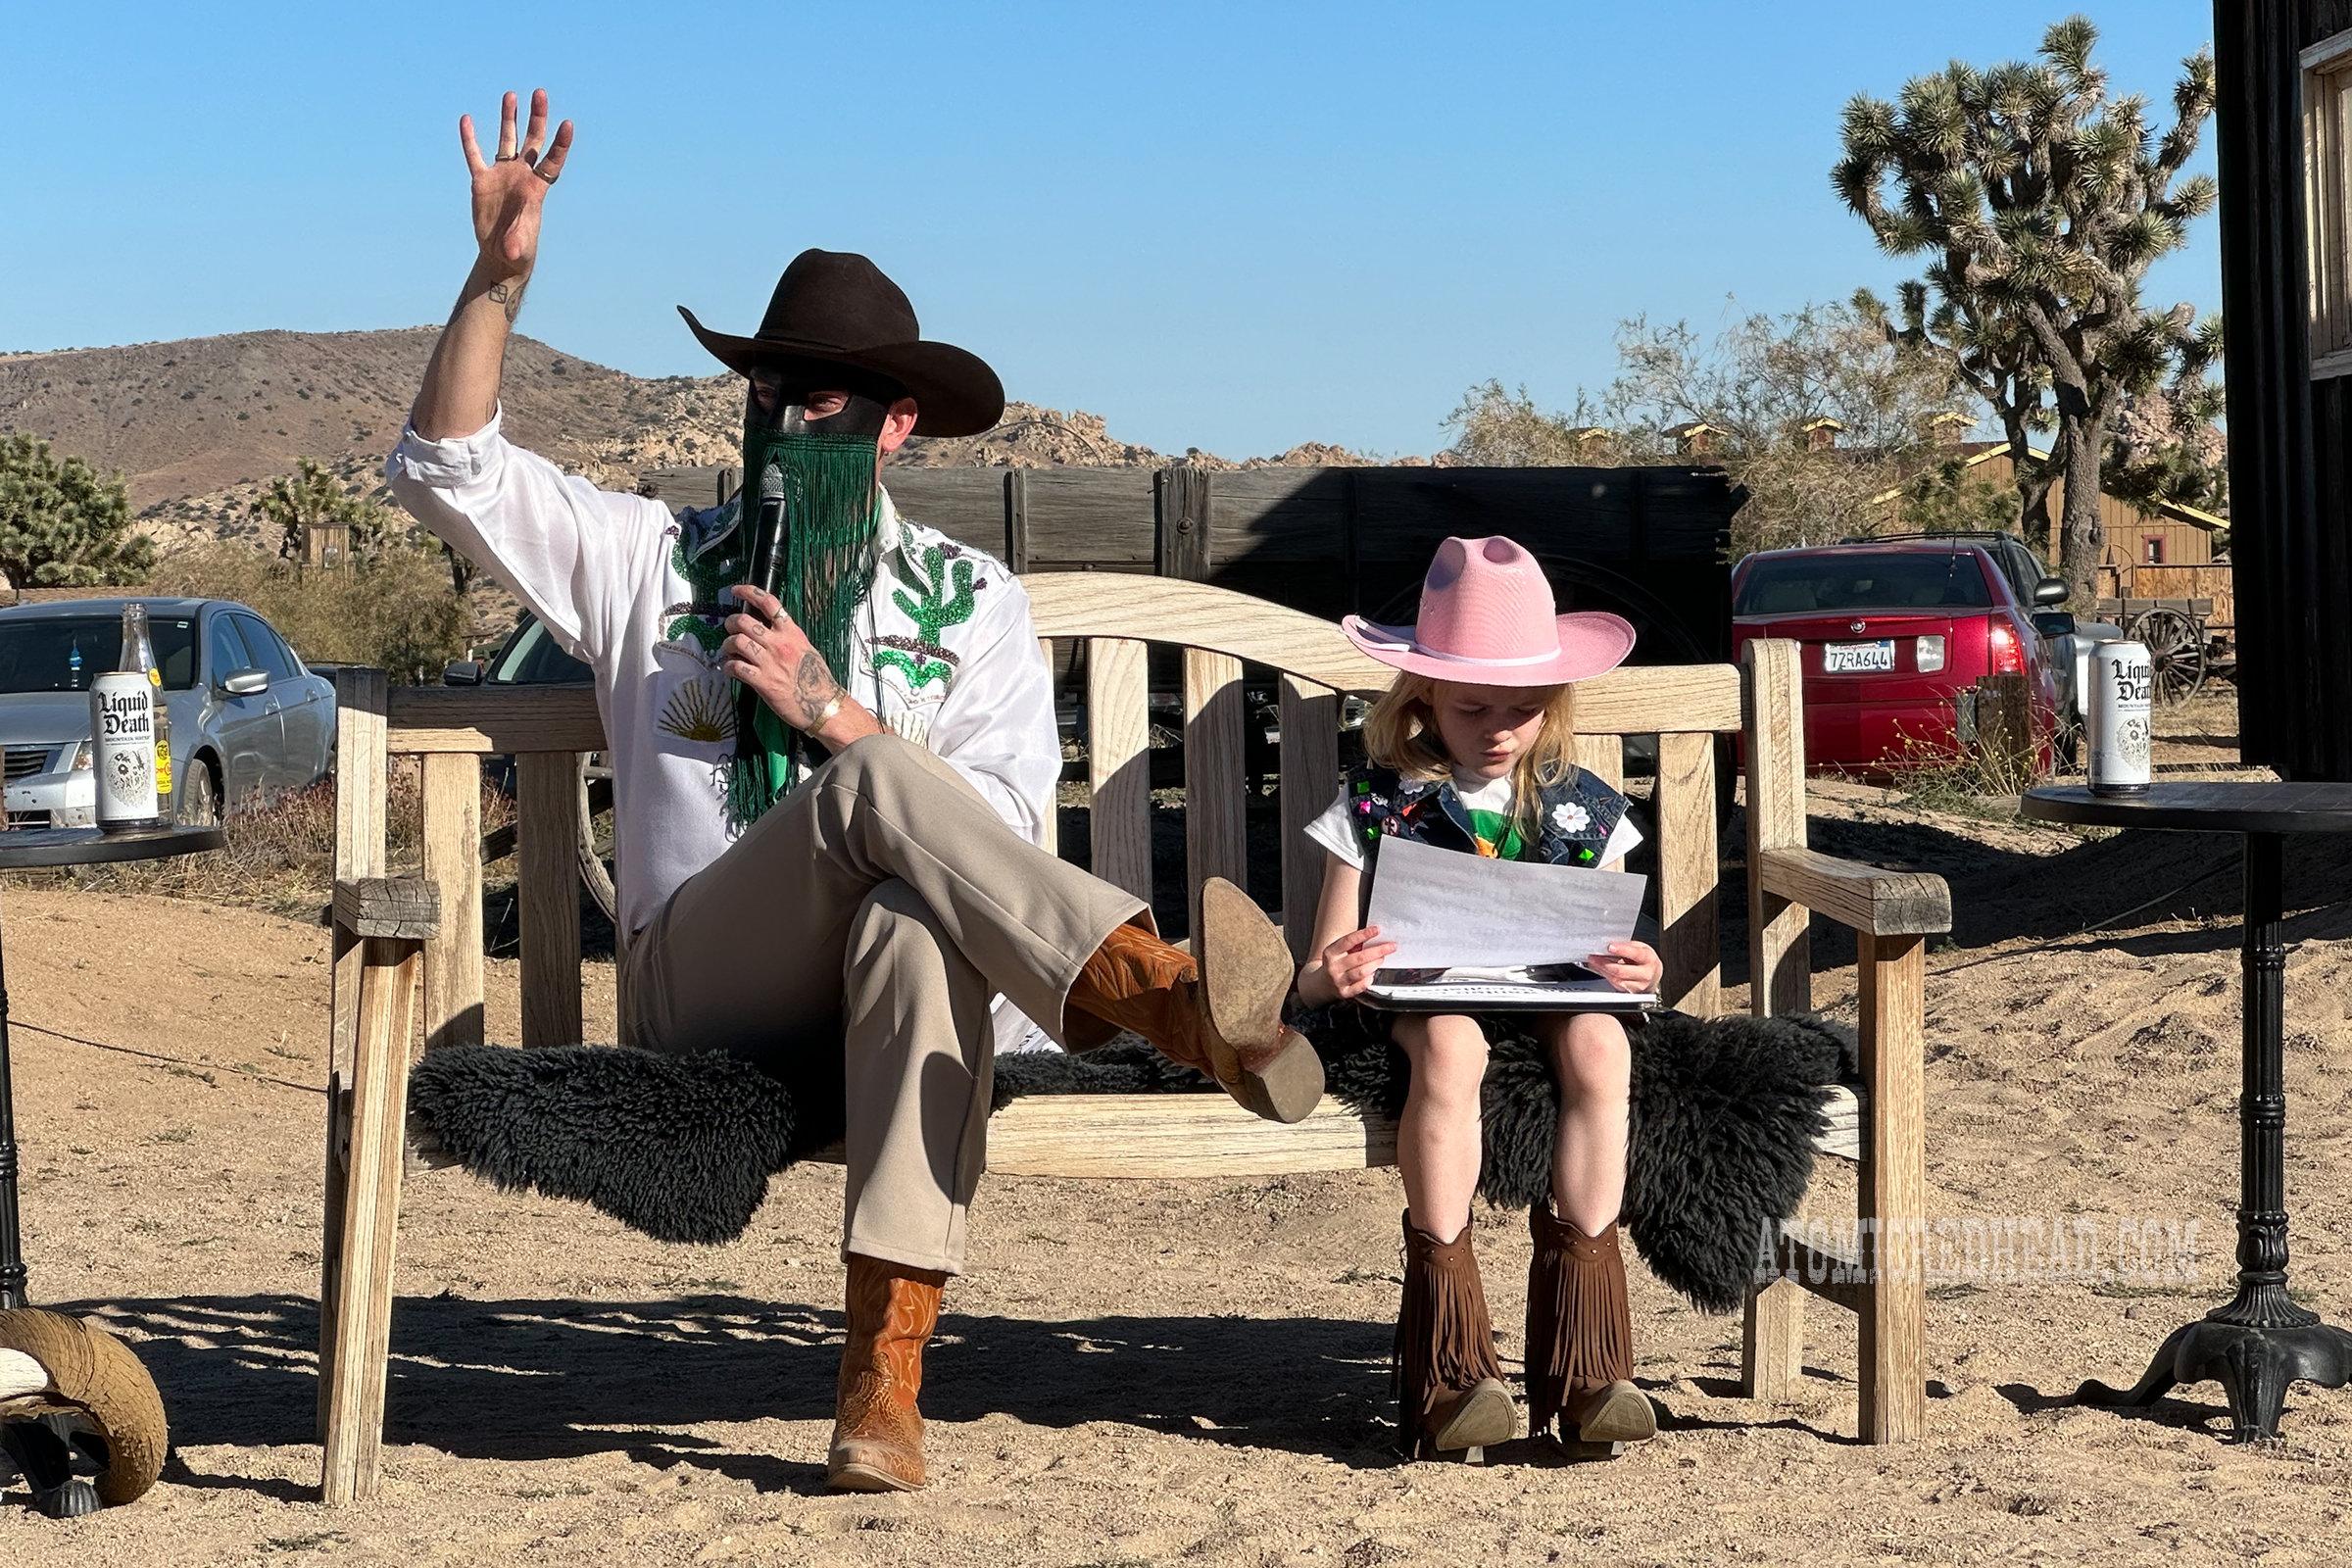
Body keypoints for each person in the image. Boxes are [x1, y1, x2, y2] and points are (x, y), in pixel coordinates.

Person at [384, 90, 1323, 1494]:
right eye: (765, 391)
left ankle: (880, 1390)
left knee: (914, 918)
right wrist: (495, 280)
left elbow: (995, 850)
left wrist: (832, 709)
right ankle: (1170, 1001)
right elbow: (454, 470)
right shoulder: (653, 560)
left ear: (894, 428)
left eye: (813, 398)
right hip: (704, 984)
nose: (778, 416)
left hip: (910, 994)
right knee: (882, 787)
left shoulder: (973, 604)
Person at [1292, 535, 1662, 1459]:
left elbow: (1624, 948)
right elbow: (1313, 967)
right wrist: (1331, 976)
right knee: (1454, 1046)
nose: (1498, 727)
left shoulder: (1589, 812)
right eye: (1472, 707)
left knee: (1602, 1048)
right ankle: (1454, 1367)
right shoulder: (1376, 805)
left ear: (1555, 704)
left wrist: (1644, 971)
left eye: (1524, 710)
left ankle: (1589, 1368)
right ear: (1420, 698)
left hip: (1553, 992)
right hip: (1427, 999)